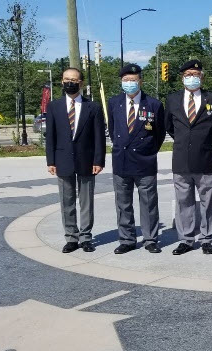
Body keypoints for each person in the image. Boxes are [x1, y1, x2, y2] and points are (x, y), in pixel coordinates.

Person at [45, 67, 106, 253]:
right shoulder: (54, 106)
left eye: (73, 80)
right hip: (62, 159)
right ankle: (71, 237)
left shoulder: (93, 107)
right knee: (67, 200)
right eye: (66, 79)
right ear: (62, 81)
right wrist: (50, 161)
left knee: (86, 201)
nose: (69, 83)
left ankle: (86, 237)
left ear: (80, 83)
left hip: (87, 160)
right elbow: (51, 136)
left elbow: (99, 136)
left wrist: (99, 160)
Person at [107, 64, 166, 254]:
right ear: (121, 82)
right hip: (122, 160)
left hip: (145, 161)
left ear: (140, 80)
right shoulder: (114, 103)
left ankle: (150, 239)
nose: (129, 83)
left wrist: (148, 150)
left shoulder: (154, 104)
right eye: (126, 80)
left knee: (148, 203)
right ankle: (127, 239)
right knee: (123, 203)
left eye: (133, 80)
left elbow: (159, 134)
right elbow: (113, 129)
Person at [164, 59, 212, 255]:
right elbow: (169, 127)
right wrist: (184, 141)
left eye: (195, 75)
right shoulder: (172, 99)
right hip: (180, 160)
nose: (192, 78)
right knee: (184, 202)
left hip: (204, 159)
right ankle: (186, 239)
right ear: (182, 78)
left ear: (202, 78)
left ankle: (206, 238)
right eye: (188, 75)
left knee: (208, 201)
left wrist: (204, 143)